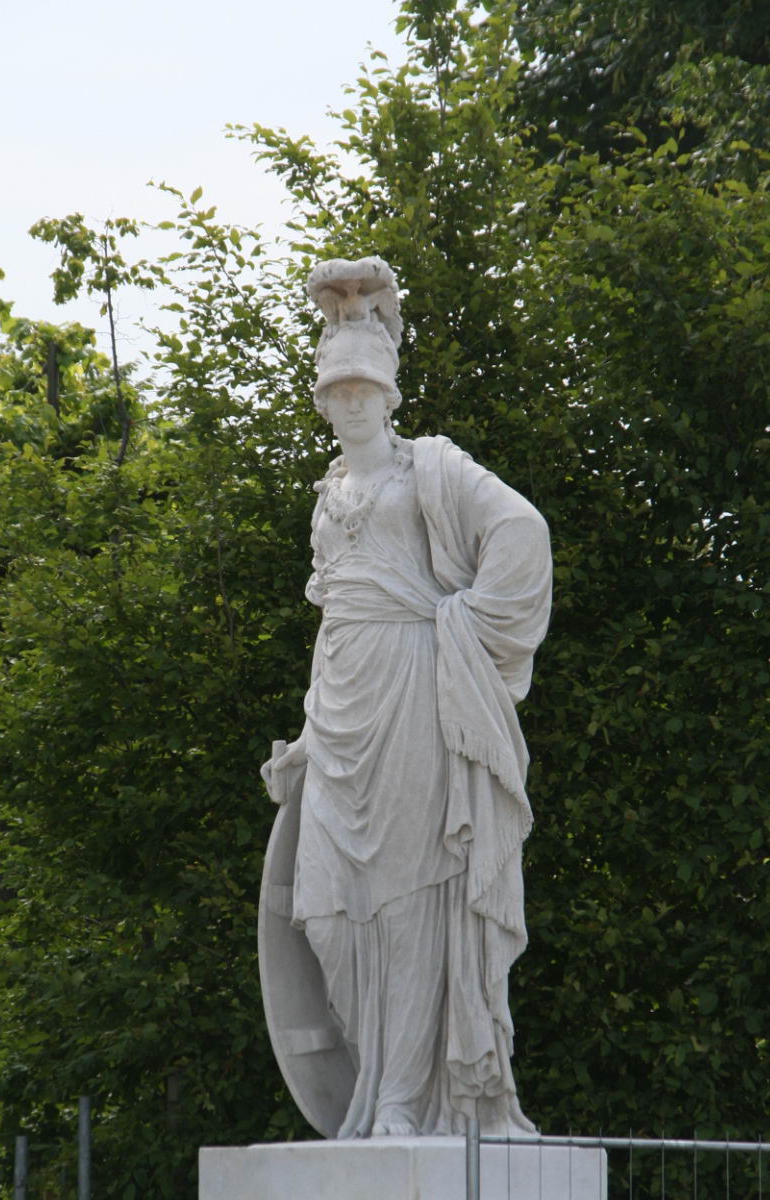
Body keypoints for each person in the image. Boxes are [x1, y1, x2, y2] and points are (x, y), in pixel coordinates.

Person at [263, 257, 551, 1139]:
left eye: (366, 390)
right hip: (342, 708)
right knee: (325, 912)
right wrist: (306, 738)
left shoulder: (431, 468)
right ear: (324, 402)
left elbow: (521, 529)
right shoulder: (328, 498)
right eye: (338, 391)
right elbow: (333, 623)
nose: (353, 403)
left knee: (412, 897)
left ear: (388, 396)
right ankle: (375, 1086)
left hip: (418, 693)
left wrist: (464, 626)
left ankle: (400, 1099)